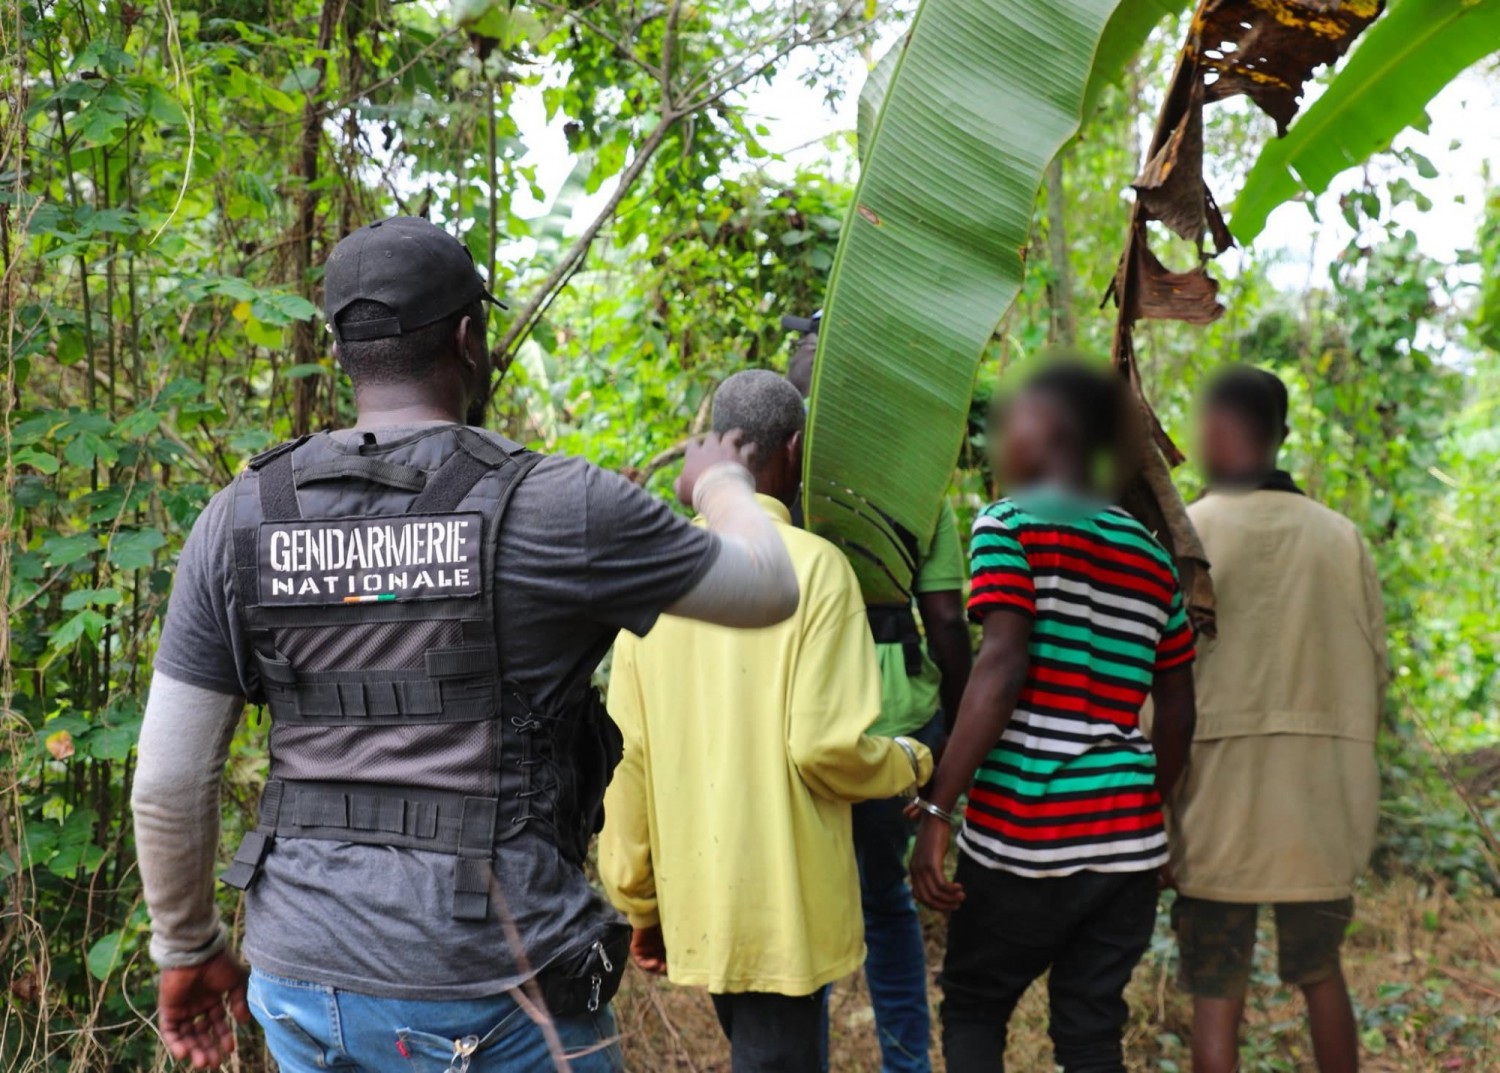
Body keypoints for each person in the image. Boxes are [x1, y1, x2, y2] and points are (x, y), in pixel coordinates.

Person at [131, 217, 805, 1072]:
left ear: (339, 348)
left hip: (300, 977)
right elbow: (767, 585)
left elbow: (167, 776)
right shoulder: (561, 507)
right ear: (468, 337)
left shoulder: (242, 516)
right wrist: (722, 479)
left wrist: (186, 945)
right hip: (494, 989)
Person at [599, 369, 935, 1073]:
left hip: (703, 900)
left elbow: (627, 759)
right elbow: (825, 748)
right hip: (787, 910)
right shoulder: (817, 567)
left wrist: (639, 900)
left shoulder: (653, 579)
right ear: (792, 450)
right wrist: (910, 759)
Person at [908, 360, 1199, 1073]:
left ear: (1056, 432)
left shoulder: (1008, 524)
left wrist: (938, 808)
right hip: (1127, 844)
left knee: (976, 1001)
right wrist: (1147, 809)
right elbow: (1180, 710)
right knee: (1091, 1030)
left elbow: (1000, 668)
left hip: (1026, 834)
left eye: (1014, 421)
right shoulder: (1152, 557)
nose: (998, 437)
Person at [1169, 366, 1386, 1073]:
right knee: (1322, 969)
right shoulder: (1342, 538)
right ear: (1281, 435)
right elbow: (1372, 671)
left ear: (1214, 432)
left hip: (1216, 800)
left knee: (1215, 990)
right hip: (1321, 799)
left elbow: (1158, 680)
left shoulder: (1189, 532)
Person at [787, 318, 972, 1073]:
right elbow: (948, 626)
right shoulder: (917, 491)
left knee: (802, 914)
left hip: (800, 721)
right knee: (885, 902)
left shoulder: (777, 492)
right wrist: (957, 740)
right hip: (896, 726)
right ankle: (906, 1064)